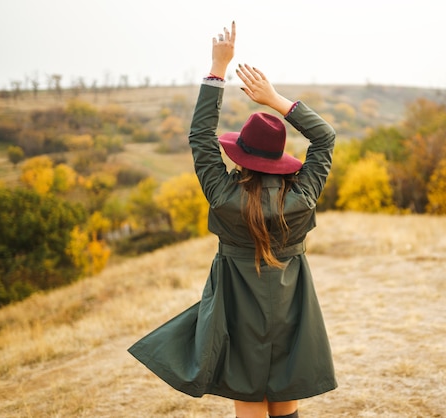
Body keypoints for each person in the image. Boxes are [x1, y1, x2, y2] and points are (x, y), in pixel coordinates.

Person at [128, 21, 337, 418]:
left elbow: (200, 137)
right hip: (292, 304)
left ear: (240, 156)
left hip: (236, 308)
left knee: (248, 392)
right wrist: (276, 100)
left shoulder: (224, 196)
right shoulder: (303, 196)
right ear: (279, 160)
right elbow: (325, 138)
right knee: (283, 391)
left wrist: (217, 68)